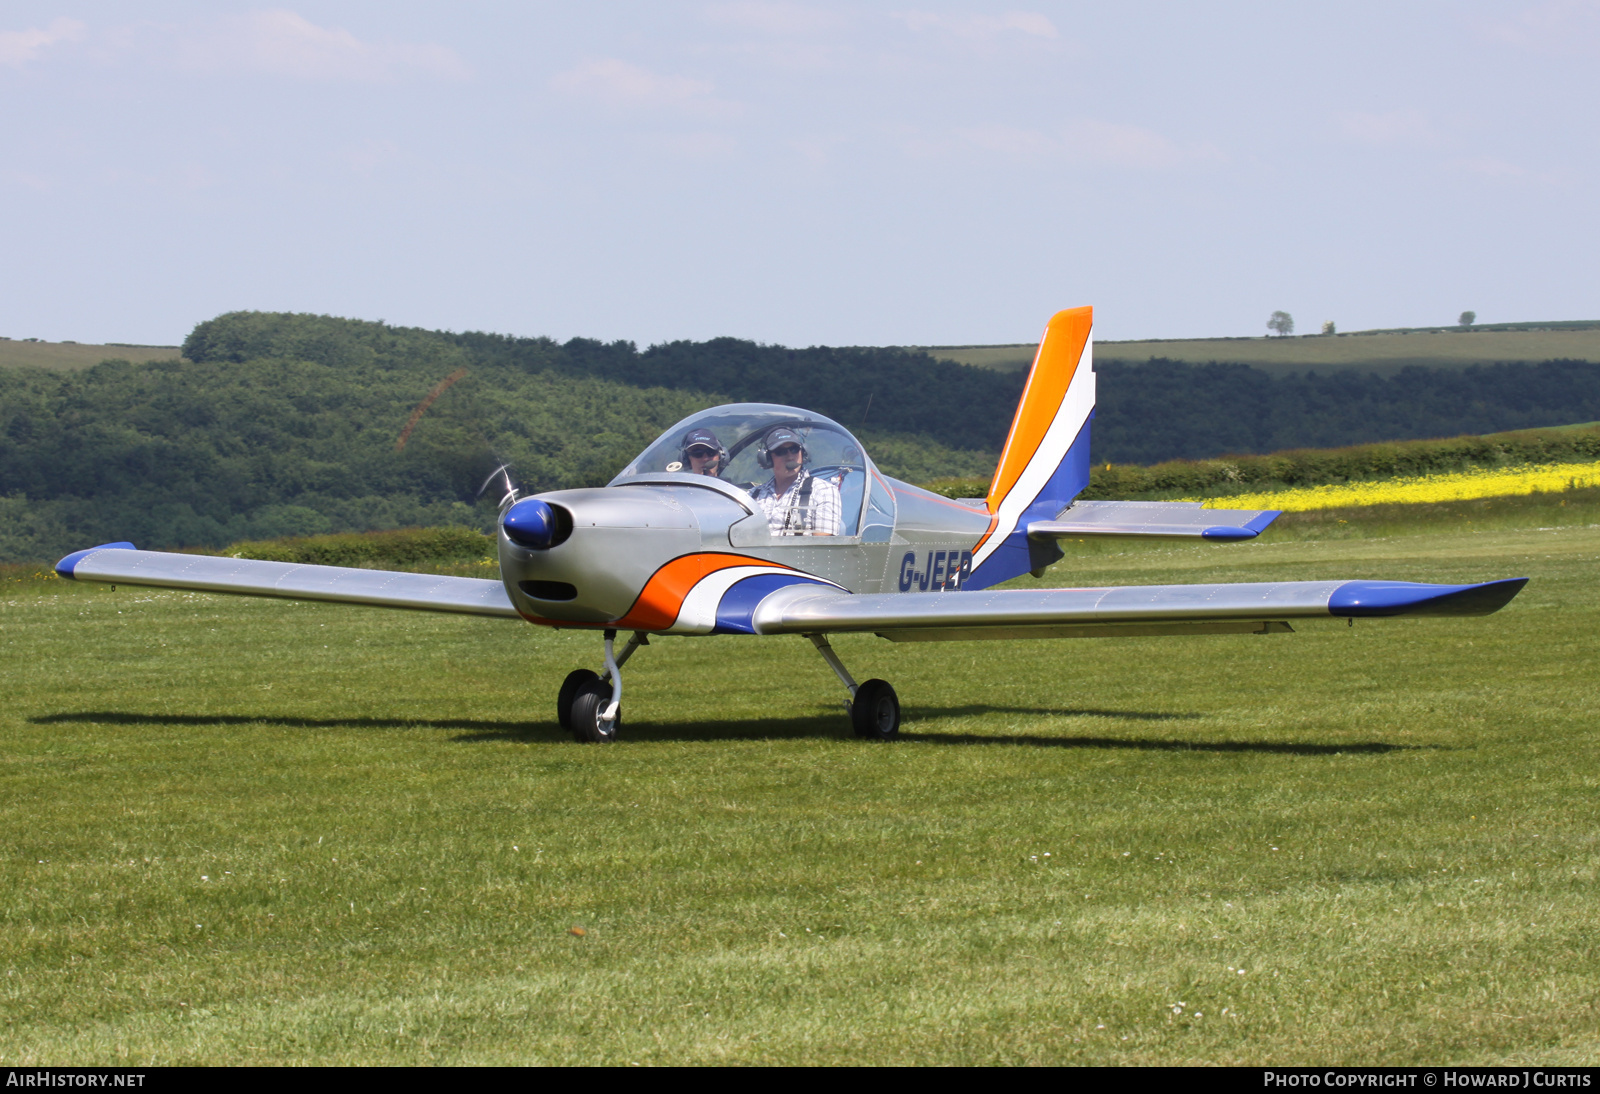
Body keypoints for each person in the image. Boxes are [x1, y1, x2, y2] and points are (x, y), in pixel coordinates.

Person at [749, 426, 841, 536]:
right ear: (767, 459)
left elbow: (822, 547)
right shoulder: (752, 495)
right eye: (780, 451)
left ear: (803, 452)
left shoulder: (823, 491)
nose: (790, 457)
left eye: (794, 449)